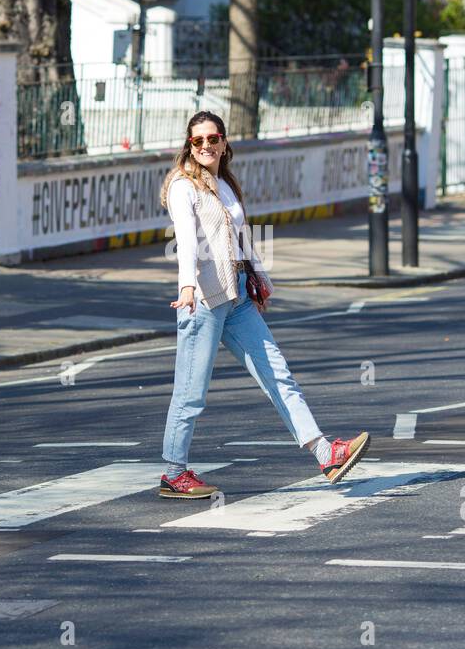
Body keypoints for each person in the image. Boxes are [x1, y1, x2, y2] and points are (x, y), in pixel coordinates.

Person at [157, 110, 370, 499]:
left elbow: (242, 238)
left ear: (224, 142)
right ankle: (174, 472)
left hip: (236, 294)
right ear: (189, 145)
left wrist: (260, 279)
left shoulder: (225, 184)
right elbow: (186, 240)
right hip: (203, 298)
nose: (206, 145)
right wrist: (187, 285)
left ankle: (326, 454)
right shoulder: (181, 186)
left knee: (277, 372)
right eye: (197, 140)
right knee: (191, 391)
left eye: (213, 138)